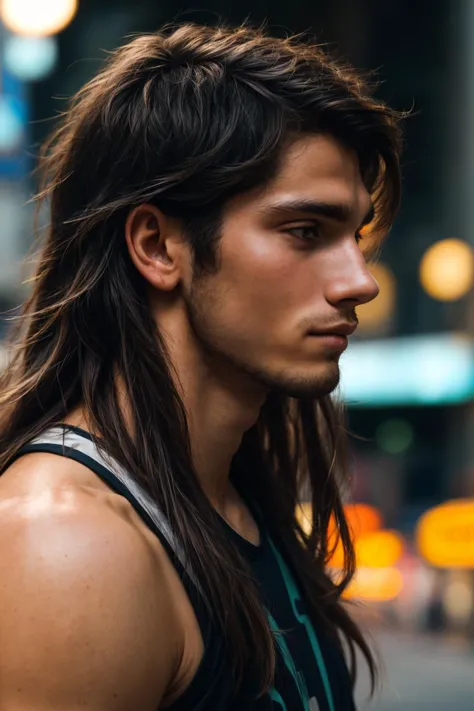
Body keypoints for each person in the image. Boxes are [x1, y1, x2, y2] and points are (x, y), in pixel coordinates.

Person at [0, 23, 402, 711]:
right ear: (158, 246)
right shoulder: (68, 546)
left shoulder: (235, 494)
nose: (359, 280)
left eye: (354, 236)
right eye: (305, 231)